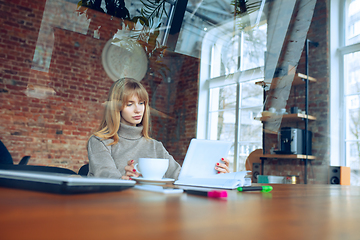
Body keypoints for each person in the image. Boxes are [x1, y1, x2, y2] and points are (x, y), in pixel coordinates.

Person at [87, 78, 230, 180]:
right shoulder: (99, 141)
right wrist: (123, 179)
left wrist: (214, 175)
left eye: (141, 103)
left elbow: (180, 176)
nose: (138, 110)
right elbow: (104, 174)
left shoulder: (155, 146)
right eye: (130, 104)